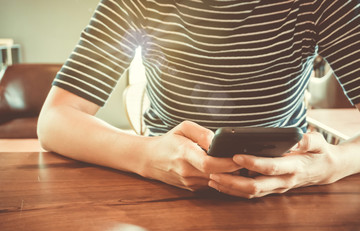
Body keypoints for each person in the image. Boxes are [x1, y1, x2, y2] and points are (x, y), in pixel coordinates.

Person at [37, 0, 360, 198]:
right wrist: (145, 156)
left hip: (288, 184)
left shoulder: (322, 4)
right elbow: (55, 119)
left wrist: (333, 163)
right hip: (161, 184)